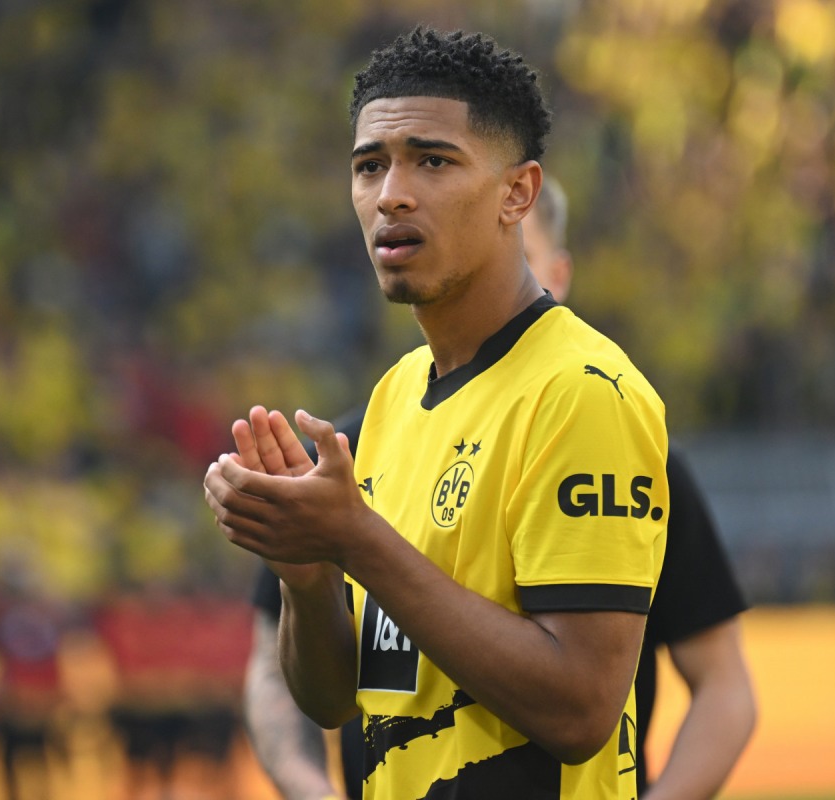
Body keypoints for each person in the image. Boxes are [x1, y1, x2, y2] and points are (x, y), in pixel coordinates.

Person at [205, 27, 669, 799]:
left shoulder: (580, 391)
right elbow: (333, 701)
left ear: (518, 194)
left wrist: (357, 538)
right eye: (369, 166)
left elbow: (581, 708)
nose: (391, 194)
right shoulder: (393, 399)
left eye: (433, 160)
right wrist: (307, 578)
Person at [244, 176, 757, 800]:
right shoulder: (356, 442)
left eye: (521, 255)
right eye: (370, 165)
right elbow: (295, 675)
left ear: (556, 275)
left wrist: (359, 543)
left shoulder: (611, 431)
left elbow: (715, 684)